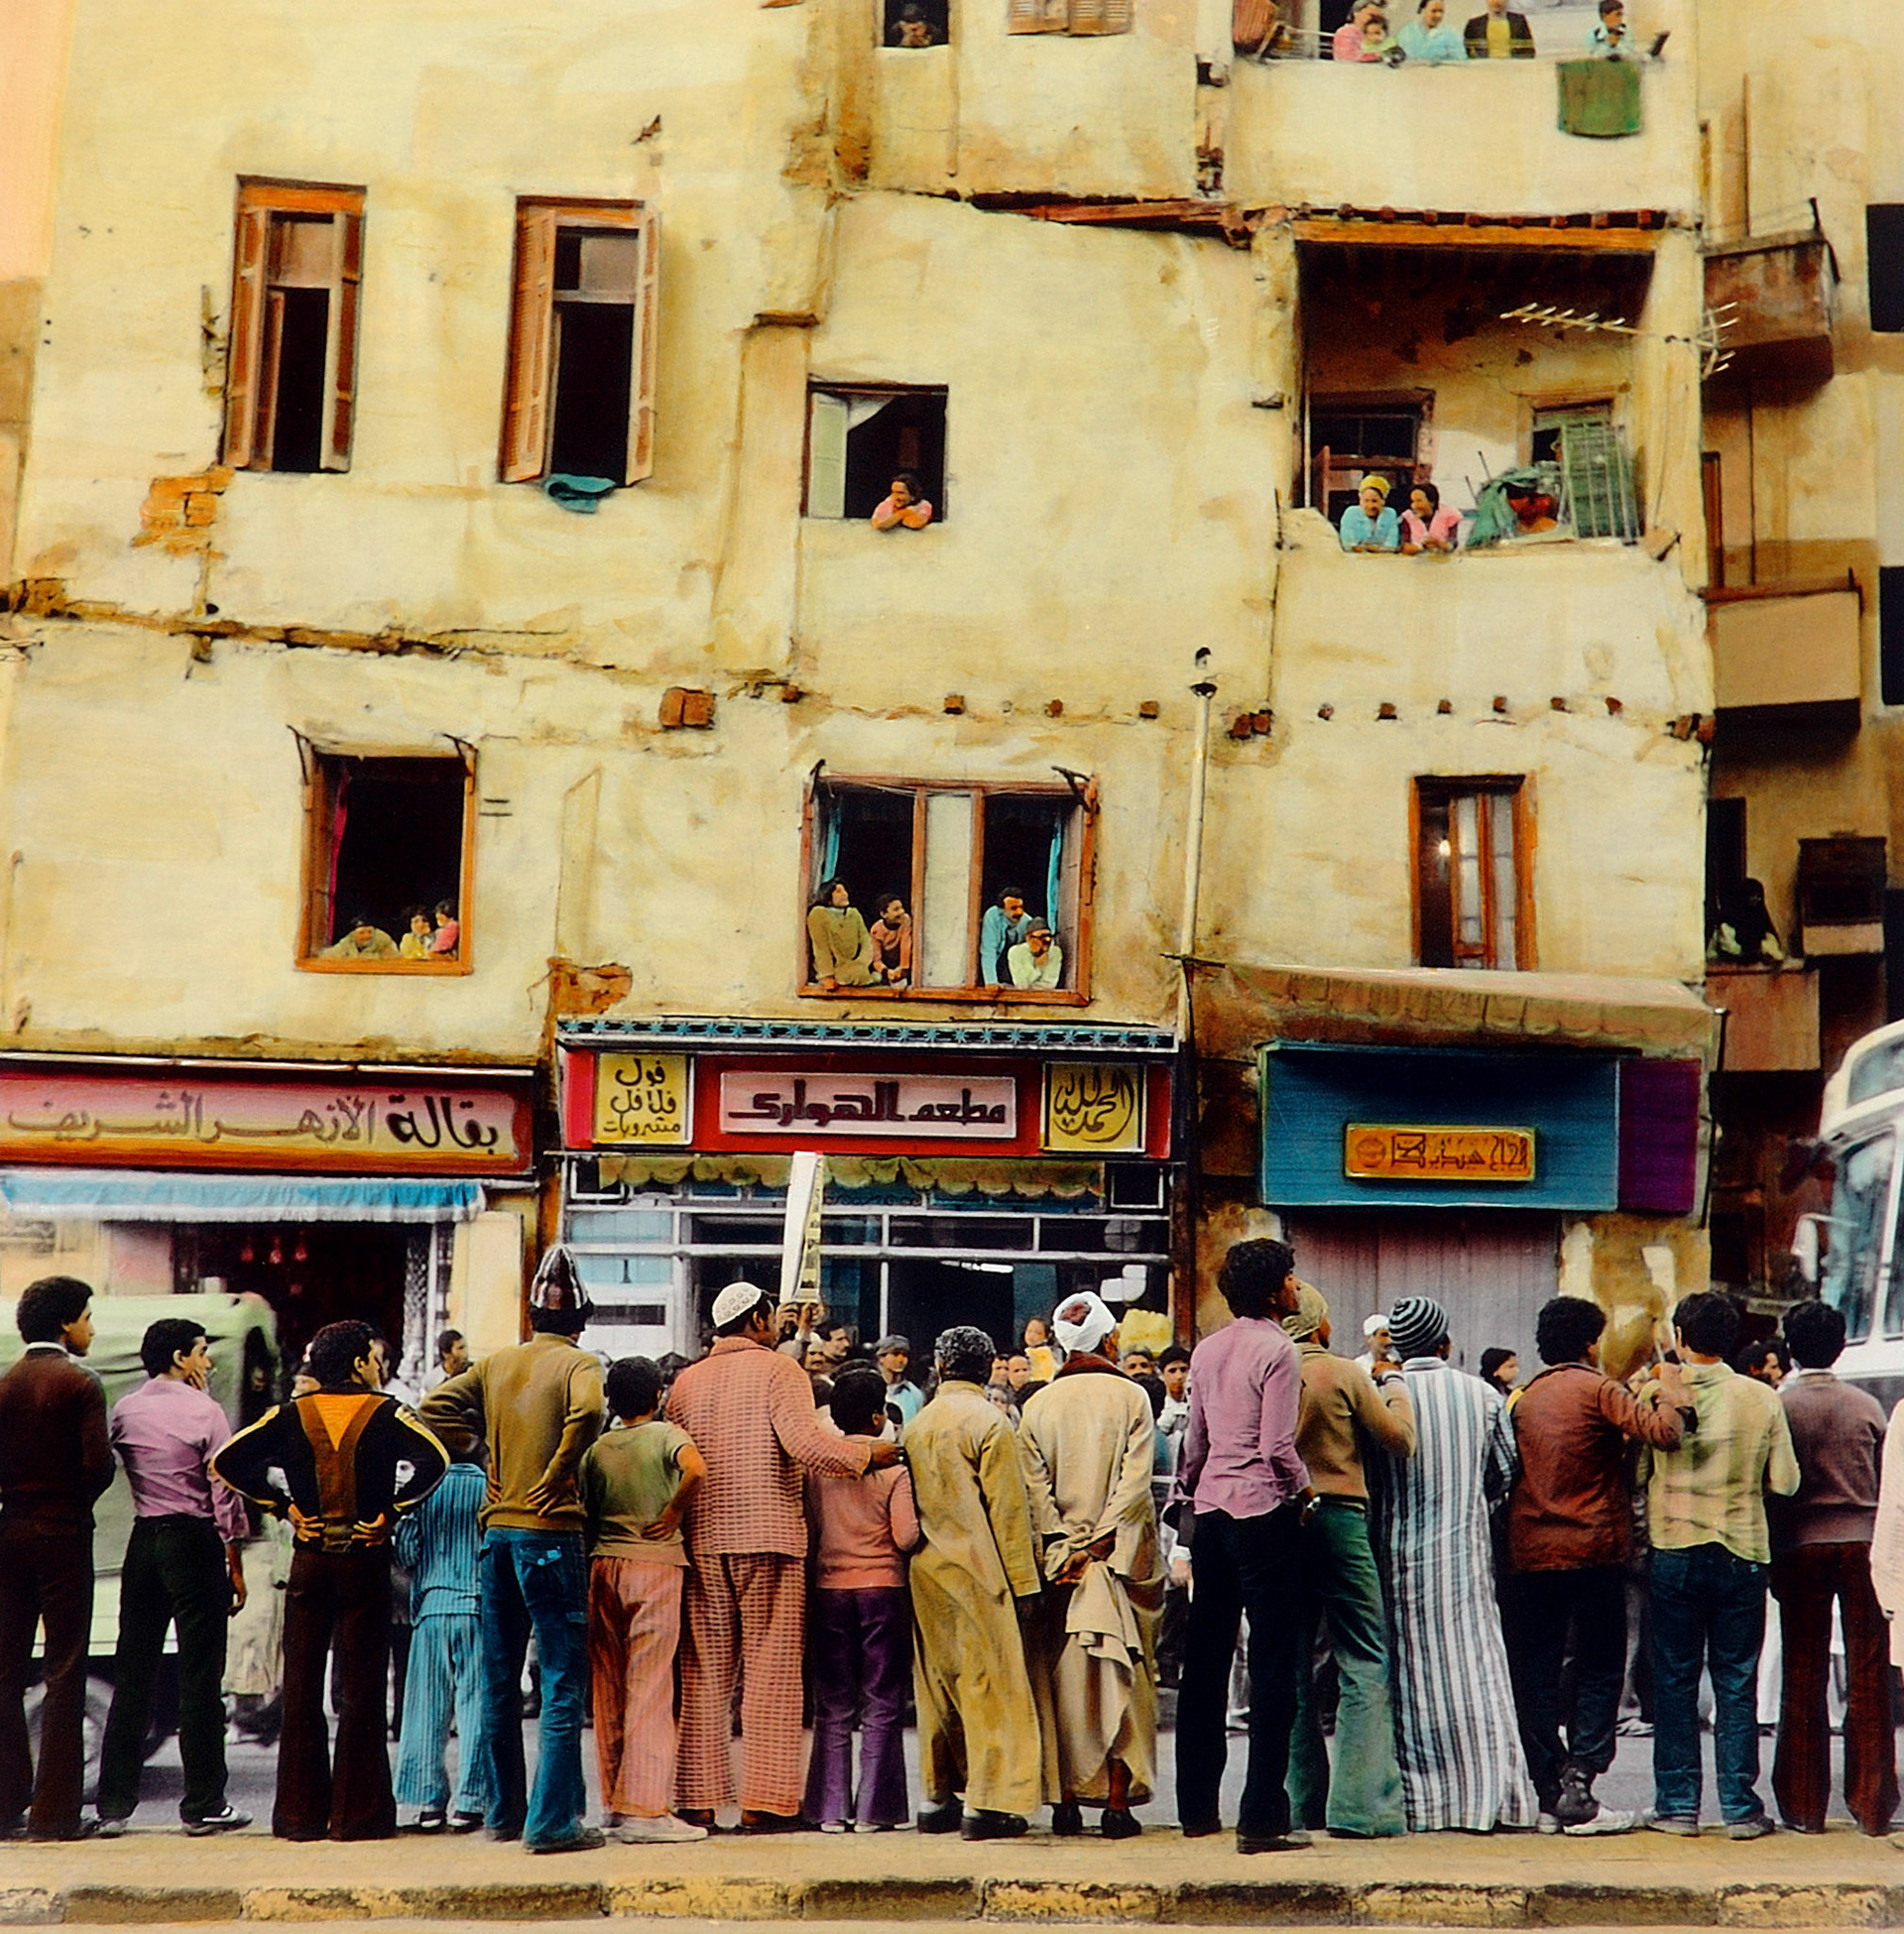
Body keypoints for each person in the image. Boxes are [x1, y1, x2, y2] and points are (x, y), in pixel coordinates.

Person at [665, 1280, 898, 1832]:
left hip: (704, 1538)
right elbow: (807, 1446)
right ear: (759, 1319)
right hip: (769, 1536)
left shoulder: (685, 1382)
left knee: (705, 1673)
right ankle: (764, 1804)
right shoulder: (780, 1372)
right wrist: (869, 1455)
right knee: (772, 1674)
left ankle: (698, 1801)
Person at [212, 1318, 448, 1842]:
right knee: (362, 1689)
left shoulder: (291, 1414)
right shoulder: (388, 1412)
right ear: (361, 1363)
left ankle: (298, 1817)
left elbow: (228, 1460)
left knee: (300, 1687)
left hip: (310, 1561)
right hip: (365, 1560)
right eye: (373, 1356)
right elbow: (437, 1460)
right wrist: (390, 1511)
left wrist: (285, 1507)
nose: (378, 1365)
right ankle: (357, 1817)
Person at [419, 1246, 606, 1855]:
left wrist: (481, 1446)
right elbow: (591, 1411)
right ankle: (552, 1825)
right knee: (560, 1683)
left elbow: (433, 1407)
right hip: (551, 1535)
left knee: (500, 1681)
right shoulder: (581, 1364)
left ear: (532, 1315)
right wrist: (555, 1474)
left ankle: (504, 1814)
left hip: (496, 1535)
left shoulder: (498, 1363)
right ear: (580, 1320)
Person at [1506, 1297, 1692, 1837]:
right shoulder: (1600, 1389)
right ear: (1590, 1343)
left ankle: (1548, 1787)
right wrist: (1671, 1380)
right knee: (1601, 1666)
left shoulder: (1524, 1398)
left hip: (1531, 1553)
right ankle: (1581, 1779)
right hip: (1594, 1550)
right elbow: (1667, 1432)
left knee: (1536, 1673)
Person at [1634, 1291, 1799, 1838]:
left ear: (1680, 1337)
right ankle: (1740, 1808)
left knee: (1676, 1681)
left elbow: (1637, 1474)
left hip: (1674, 1548)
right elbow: (1785, 1482)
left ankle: (1678, 1808)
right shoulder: (1761, 1398)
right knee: (1736, 1680)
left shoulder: (1656, 1394)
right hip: (1742, 1551)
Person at [1369, 1295, 1537, 1833]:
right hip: (1463, 1558)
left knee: (1409, 1678)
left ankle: (1420, 1803)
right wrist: (1470, 1503)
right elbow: (1505, 1474)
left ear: (1395, 1344)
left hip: (1396, 1558)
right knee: (1476, 1673)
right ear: (1445, 1344)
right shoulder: (1480, 1394)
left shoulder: (1380, 1396)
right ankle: (1489, 1797)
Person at [1170, 1239, 1313, 1854]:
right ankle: (1261, 1817)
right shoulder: (1278, 1350)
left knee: (1206, 1658)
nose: (1296, 1287)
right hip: (1262, 1513)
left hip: (1210, 1512)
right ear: (1273, 1290)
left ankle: (1197, 1808)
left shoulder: (1207, 1349)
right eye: (1290, 1278)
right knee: (1274, 1663)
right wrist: (1304, 1493)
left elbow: (1194, 1443)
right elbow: (1280, 1447)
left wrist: (1188, 1500)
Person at [94, 1317, 250, 1837]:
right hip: (195, 1540)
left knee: (133, 1671)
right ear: (182, 1358)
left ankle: (113, 1805)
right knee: (200, 1675)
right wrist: (234, 1553)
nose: (207, 1361)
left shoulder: (124, 1408)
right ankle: (204, 1803)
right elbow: (224, 1487)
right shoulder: (206, 1411)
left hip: (144, 1539)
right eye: (202, 1351)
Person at [1017, 1292, 1162, 1840]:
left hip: (1060, 1564)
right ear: (1110, 1341)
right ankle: (1117, 1807)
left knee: (1064, 1682)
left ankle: (1067, 1801)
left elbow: (1036, 1492)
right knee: (1120, 1678)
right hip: (1121, 1559)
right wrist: (1099, 1544)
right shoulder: (1132, 1398)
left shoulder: (1037, 1407)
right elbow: (1136, 1482)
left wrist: (1067, 1547)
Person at [1281, 1282, 1414, 1839]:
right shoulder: (1341, 1371)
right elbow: (1399, 1439)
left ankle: (1300, 1802)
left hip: (1282, 1519)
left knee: (1291, 1665)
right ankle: (1359, 1807)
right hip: (1340, 1517)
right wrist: (1395, 1386)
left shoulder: (1269, 1369)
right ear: (1321, 1326)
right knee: (1362, 1654)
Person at [907, 1323, 1044, 1840]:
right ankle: (987, 1806)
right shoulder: (990, 1421)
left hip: (925, 1568)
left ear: (940, 1367)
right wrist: (1025, 1585)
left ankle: (937, 1797)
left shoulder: (917, 1424)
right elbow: (1009, 1513)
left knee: (937, 1686)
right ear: (989, 1367)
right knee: (991, 1687)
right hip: (981, 1569)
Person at [1768, 1300, 1894, 1837]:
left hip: (1800, 1545)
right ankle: (1871, 1805)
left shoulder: (1780, 1406)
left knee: (1803, 1671)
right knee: (1868, 1674)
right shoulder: (1867, 1407)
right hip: (1862, 1548)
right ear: (1841, 1347)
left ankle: (1804, 1806)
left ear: (1790, 1350)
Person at [0, 1275, 112, 1840]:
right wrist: (68, 1505)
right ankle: (56, 1813)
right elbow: (98, 1468)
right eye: (88, 1316)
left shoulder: (4, 1384)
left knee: (4, 1669)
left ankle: (3, 1805)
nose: (92, 1327)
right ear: (68, 1323)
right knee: (64, 1667)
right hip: (64, 1534)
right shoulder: (79, 1384)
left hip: (9, 1531)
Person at [581, 1357, 708, 1844]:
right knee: (652, 1687)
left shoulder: (598, 1449)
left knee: (609, 1690)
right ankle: (648, 1810)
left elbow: (588, 1509)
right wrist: (674, 1511)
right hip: (655, 1565)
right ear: (658, 1395)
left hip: (604, 1565)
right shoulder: (666, 1434)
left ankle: (614, 1804)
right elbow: (696, 1470)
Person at [803, 1366, 921, 1833]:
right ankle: (876, 1809)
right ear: (878, 1419)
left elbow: (812, 1529)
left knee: (831, 1703)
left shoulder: (819, 1469)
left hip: (829, 1589)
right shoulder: (893, 1471)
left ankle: (829, 1808)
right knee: (882, 1699)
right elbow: (907, 1536)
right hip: (882, 1590)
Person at [392, 1435, 491, 1833]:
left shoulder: (423, 1487)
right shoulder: (488, 1487)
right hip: (476, 1606)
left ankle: (429, 1803)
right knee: (475, 1709)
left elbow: (408, 1553)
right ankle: (471, 1802)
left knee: (425, 1710)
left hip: (431, 1609)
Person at [806, 880, 881, 990]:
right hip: (835, 968)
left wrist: (862, 963)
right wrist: (827, 976)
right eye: (838, 892)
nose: (845, 894)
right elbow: (821, 948)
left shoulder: (854, 914)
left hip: (855, 965)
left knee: (862, 974)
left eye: (845, 890)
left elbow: (866, 942)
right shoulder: (818, 914)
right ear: (827, 895)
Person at [1709, 879, 1785, 965]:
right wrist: (1751, 953)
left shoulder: (1761, 918)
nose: (1755, 900)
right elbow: (1729, 948)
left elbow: (1772, 946)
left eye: (1758, 897)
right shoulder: (1728, 921)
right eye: (1752, 896)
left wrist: (1766, 951)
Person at [1338, 476, 1399, 552]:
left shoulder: (1390, 514)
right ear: (1360, 501)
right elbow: (1348, 544)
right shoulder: (1351, 513)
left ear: (1383, 501)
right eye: (1366, 501)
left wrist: (1375, 549)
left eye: (1374, 501)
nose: (1370, 506)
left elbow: (1391, 545)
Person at [874, 1334, 924, 1426]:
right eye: (895, 1354)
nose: (901, 1360)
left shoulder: (914, 1393)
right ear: (881, 1357)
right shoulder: (872, 1388)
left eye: (904, 1355)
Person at [1399, 480, 1462, 548]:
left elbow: (1452, 543)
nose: (1414, 506)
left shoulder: (1449, 515)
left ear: (1432, 502)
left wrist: (1439, 544)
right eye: (1412, 501)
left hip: (1442, 556)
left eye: (1419, 501)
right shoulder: (1407, 517)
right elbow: (1404, 542)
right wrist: (1415, 547)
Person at [868, 895, 913, 988]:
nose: (901, 912)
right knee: (876, 978)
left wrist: (903, 969)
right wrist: (886, 972)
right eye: (896, 909)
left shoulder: (905, 920)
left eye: (902, 908)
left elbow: (906, 945)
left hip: (901, 964)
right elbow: (876, 959)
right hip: (885, 966)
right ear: (884, 914)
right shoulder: (876, 930)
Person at [1398, 0, 1465, 60]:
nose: (1438, 15)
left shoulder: (1450, 33)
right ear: (1422, 11)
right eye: (1434, 11)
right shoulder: (1407, 31)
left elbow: (1460, 61)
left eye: (1441, 11)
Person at [1465, 0, 1535, 57]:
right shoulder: (1474, 24)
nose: (1496, 2)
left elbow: (1528, 50)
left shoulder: (1519, 21)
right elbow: (1468, 52)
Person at [1007, 922, 1063, 990]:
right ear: (1029, 938)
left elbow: (1050, 985)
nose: (1047, 940)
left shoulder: (1055, 952)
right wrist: (1038, 965)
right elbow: (1022, 985)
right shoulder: (1016, 952)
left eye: (1049, 936)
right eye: (1042, 936)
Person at [321, 915, 399, 960]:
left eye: (369, 932)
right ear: (353, 934)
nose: (366, 936)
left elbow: (395, 957)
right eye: (361, 933)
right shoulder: (348, 941)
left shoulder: (382, 939)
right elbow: (327, 956)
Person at [427, 1328, 468, 1392]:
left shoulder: (471, 1374)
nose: (465, 1353)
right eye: (460, 1348)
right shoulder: (432, 1380)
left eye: (465, 1347)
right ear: (446, 1353)